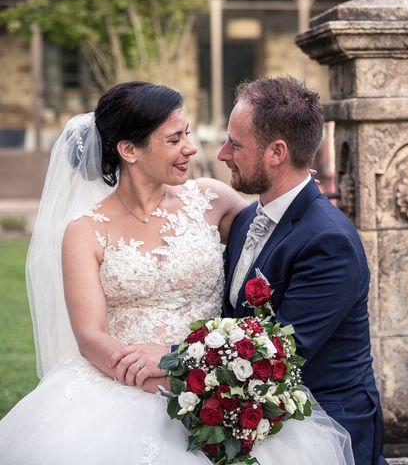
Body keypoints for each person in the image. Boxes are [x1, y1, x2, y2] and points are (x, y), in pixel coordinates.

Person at [0, 81, 354, 465]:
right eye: (174, 139)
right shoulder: (85, 231)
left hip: (219, 382)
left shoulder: (211, 198)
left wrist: (301, 180)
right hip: (122, 389)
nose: (191, 148)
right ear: (129, 150)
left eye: (187, 133)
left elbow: (278, 224)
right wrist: (157, 379)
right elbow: (90, 336)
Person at [218, 77, 388, 465]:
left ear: (276, 152)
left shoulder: (329, 241)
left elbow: (280, 354)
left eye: (236, 144)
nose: (223, 153)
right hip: (255, 412)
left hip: (326, 424)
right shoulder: (246, 219)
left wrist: (173, 360)